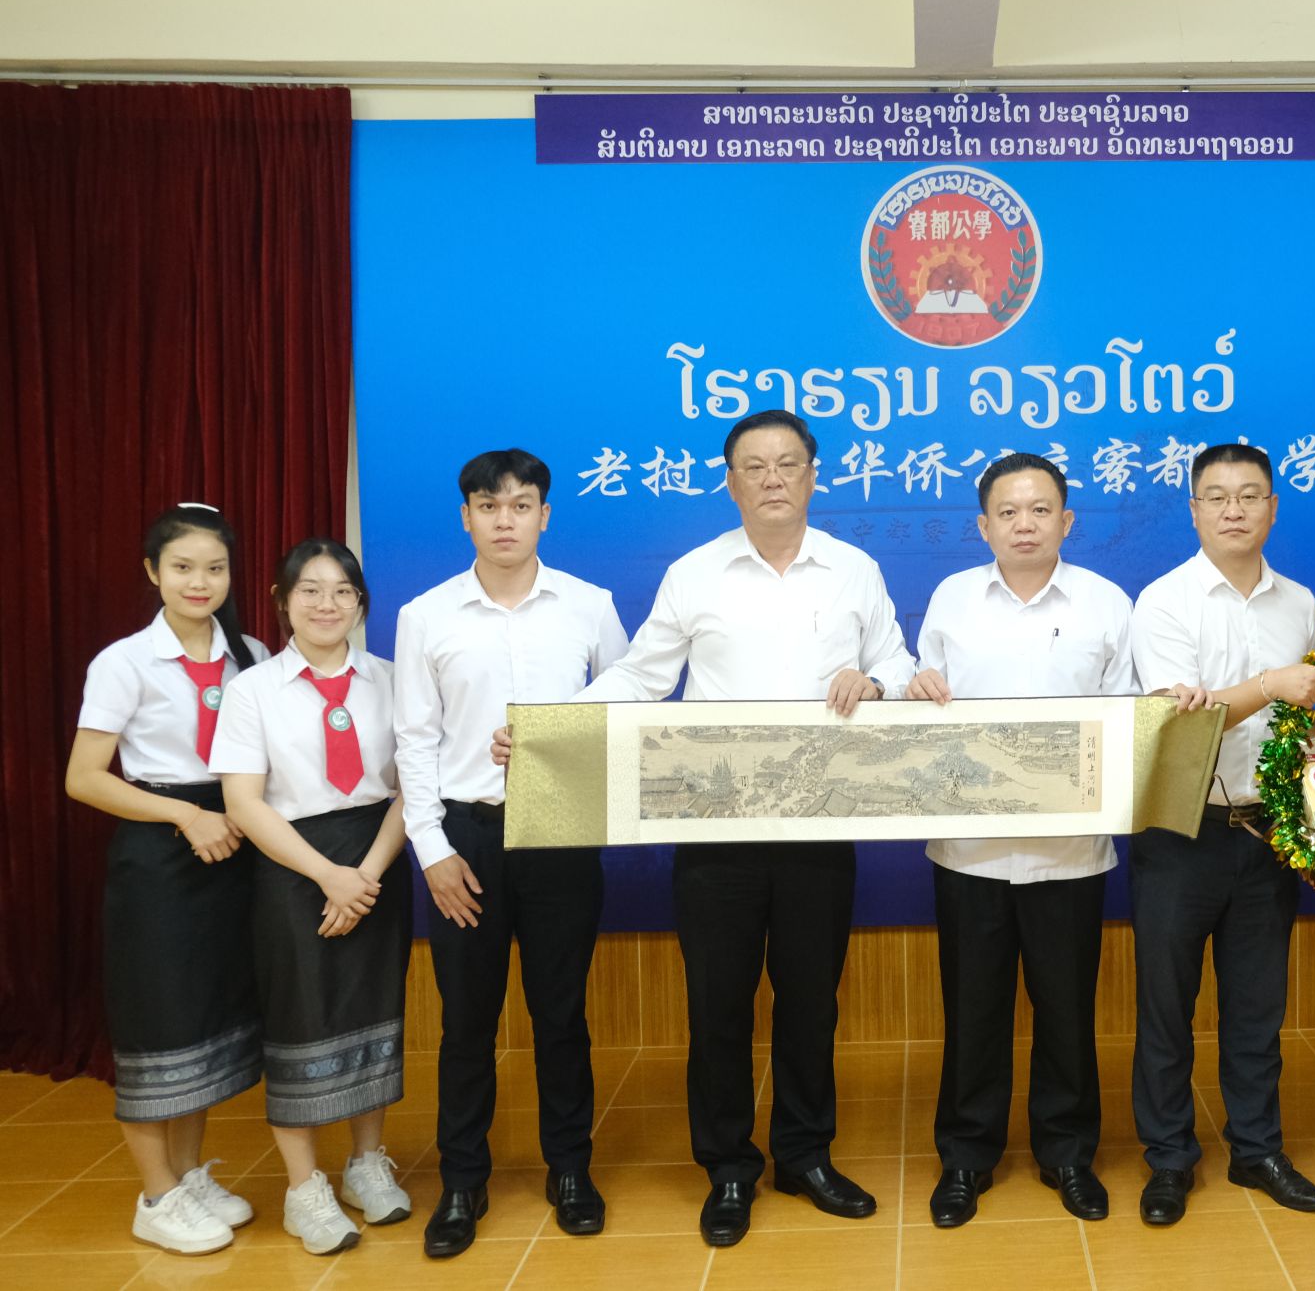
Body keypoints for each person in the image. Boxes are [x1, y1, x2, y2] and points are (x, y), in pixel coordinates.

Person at [528, 409, 916, 1248]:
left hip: (821, 815)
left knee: (811, 1001)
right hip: (715, 824)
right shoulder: (694, 573)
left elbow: (899, 658)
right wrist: (551, 727)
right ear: (730, 481)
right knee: (718, 1005)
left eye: (788, 463)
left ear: (814, 475)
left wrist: (876, 680)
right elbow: (640, 677)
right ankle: (729, 1168)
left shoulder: (854, 570)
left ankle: (805, 1154)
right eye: (754, 465)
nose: (773, 477)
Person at [392, 449, 628, 1258]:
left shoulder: (590, 605)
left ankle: (571, 1168)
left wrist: (555, 736)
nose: (504, 520)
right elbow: (413, 738)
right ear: (466, 516)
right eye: (488, 506)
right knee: (466, 1020)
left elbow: (626, 703)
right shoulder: (426, 614)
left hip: (561, 826)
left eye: (521, 505)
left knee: (560, 1012)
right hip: (466, 835)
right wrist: (431, 848)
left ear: (544, 515)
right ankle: (463, 1179)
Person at [904, 452, 1140, 1228]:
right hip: (969, 850)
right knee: (973, 1011)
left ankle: (1067, 1153)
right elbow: (924, 701)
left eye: (1040, 510)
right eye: (1008, 512)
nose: (1025, 524)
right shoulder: (952, 598)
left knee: (1066, 1011)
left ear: (1067, 520)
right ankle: (965, 1157)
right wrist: (915, 689)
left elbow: (1126, 717)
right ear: (984, 526)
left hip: (1069, 852)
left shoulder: (1107, 603)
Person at [1125, 442, 1315, 1227]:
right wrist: (1270, 684)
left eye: (1250, 495)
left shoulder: (1299, 602)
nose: (1234, 509)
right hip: (1182, 830)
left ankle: (1257, 1149)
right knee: (1167, 1006)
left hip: (1267, 830)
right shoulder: (1164, 601)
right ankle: (1169, 1158)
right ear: (1194, 510)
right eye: (1217, 496)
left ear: (1273, 507)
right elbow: (1179, 728)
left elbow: (1303, 717)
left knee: (1257, 1008)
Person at [64, 503, 269, 1255]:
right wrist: (185, 816)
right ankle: (155, 1196)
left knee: (204, 1022)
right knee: (159, 1021)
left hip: (234, 848)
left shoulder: (250, 652)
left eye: (215, 567)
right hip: (160, 855)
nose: (199, 581)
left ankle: (187, 1176)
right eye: (182, 567)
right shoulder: (124, 662)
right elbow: (85, 777)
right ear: (153, 571)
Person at [212, 539, 412, 1255]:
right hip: (291, 863)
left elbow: (412, 784)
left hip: (377, 854)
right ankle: (304, 1190)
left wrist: (366, 874)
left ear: (361, 603)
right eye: (310, 590)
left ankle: (366, 1163)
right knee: (299, 1020)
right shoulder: (253, 690)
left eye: (342, 592)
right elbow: (243, 800)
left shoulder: (393, 680)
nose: (327, 605)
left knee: (373, 1012)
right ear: (282, 600)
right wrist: (330, 876)